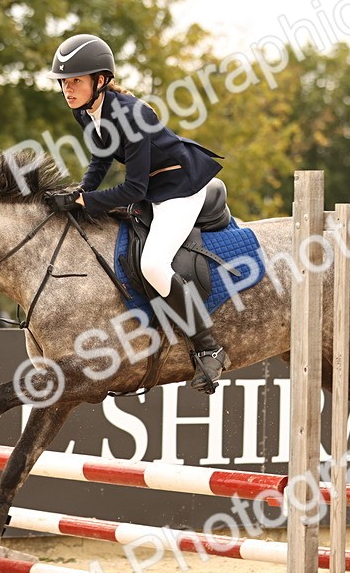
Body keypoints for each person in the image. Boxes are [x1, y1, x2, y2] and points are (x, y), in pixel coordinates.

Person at [45, 34, 228, 394]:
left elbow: (134, 191)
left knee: (153, 264)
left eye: (76, 81)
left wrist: (85, 203)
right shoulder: (84, 111)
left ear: (100, 81)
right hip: (153, 188)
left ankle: (209, 346)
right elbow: (100, 157)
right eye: (64, 82)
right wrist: (80, 192)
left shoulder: (133, 115)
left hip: (179, 187)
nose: (68, 89)